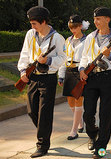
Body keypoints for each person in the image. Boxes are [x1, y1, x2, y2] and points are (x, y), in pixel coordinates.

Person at [17, 6, 66, 158]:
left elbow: (63, 58)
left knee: (44, 113)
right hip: (32, 77)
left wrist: (48, 60)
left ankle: (42, 145)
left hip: (48, 79)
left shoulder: (57, 38)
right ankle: (44, 132)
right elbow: (25, 53)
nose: (32, 27)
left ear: (43, 22)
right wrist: (23, 72)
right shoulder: (30, 34)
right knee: (32, 111)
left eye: (34, 24)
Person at [79, 7, 111, 159]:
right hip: (91, 77)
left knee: (106, 115)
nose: (95, 22)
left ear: (107, 19)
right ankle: (93, 135)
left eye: (98, 19)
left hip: (107, 78)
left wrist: (110, 55)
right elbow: (85, 57)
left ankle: (101, 148)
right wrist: (81, 70)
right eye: (94, 19)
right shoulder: (90, 37)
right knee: (88, 114)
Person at [58, 15, 90, 140]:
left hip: (80, 71)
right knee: (70, 100)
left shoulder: (87, 40)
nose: (73, 30)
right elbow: (63, 58)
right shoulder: (67, 40)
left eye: (75, 27)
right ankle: (80, 122)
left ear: (81, 26)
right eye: (71, 27)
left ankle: (74, 130)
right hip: (69, 71)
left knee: (78, 99)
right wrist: (61, 75)